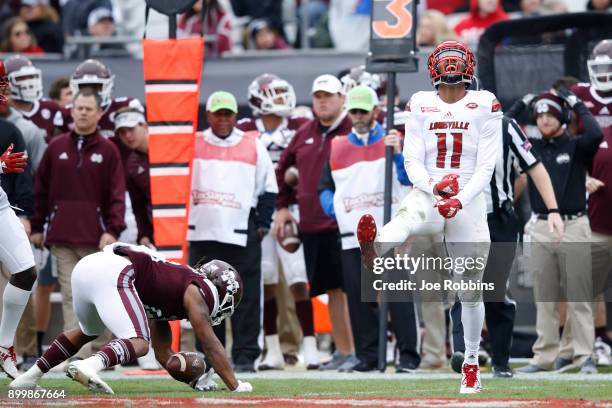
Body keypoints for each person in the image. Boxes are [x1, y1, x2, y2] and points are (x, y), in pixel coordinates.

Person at [357, 41, 503, 393]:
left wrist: (460, 198)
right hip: (431, 187)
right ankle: (376, 248)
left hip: (468, 195)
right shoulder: (420, 103)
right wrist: (436, 189)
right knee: (409, 214)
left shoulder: (485, 104)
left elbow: (487, 165)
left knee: (469, 288)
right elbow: (412, 160)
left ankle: (470, 361)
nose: (452, 68)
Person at [10, 243, 253, 393]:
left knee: (87, 330)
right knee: (138, 341)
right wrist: (235, 384)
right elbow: (209, 342)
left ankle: (28, 377)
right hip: (115, 270)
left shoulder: (172, 290)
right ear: (222, 290)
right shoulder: (200, 289)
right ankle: (88, 365)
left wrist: (194, 378)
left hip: (88, 267)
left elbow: (164, 354)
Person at [449, 114, 564, 378]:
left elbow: (534, 166)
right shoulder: (443, 124)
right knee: (464, 287)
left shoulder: (504, 126)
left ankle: (500, 360)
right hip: (461, 217)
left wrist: (553, 208)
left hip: (497, 218)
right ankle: (464, 353)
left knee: (495, 290)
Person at [318, 86, 420, 372]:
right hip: (353, 235)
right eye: (354, 111)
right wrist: (336, 210)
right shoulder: (337, 145)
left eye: (364, 110)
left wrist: (397, 152)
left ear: (376, 111)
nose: (359, 116)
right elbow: (324, 187)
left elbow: (407, 178)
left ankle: (408, 357)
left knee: (397, 295)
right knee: (360, 298)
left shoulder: (393, 140)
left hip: (390, 232)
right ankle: (368, 357)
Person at [512, 89, 603, 374]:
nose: (544, 120)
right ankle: (544, 356)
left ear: (562, 117)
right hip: (540, 226)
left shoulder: (576, 146)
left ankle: (584, 355)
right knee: (545, 296)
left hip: (574, 224)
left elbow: (596, 133)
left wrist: (575, 103)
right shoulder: (531, 148)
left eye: (550, 114)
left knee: (579, 295)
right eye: (539, 115)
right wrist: (523, 102)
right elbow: (502, 126)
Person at [188, 91, 277, 372]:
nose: (223, 119)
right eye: (218, 113)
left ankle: (245, 356)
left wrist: (262, 224)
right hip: (201, 232)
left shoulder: (253, 144)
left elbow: (268, 188)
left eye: (228, 114)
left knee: (246, 297)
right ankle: (210, 357)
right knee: (203, 297)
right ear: (209, 115)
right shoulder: (194, 142)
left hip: (242, 231)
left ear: (235, 116)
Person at [30, 89, 126, 338]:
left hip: (97, 238)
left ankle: (103, 351)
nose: (83, 112)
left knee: (101, 293)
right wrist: (38, 227)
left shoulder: (109, 150)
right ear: (72, 111)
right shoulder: (55, 147)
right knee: (70, 294)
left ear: (99, 113)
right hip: (61, 237)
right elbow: (40, 190)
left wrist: (113, 229)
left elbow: (117, 195)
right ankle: (75, 354)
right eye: (79, 108)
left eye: (89, 109)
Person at [237, 74, 318, 370]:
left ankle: (309, 345)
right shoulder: (245, 129)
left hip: (291, 208)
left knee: (298, 277)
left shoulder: (298, 125)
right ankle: (271, 349)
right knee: (268, 279)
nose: (283, 100)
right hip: (260, 210)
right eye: (276, 94)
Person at [572, 39, 612, 352]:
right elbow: (565, 145)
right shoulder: (579, 97)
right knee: (587, 278)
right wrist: (581, 176)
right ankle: (592, 340)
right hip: (591, 200)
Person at [0, 60, 37, 380]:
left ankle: (3, 346)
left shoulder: (9, 129)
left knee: (26, 272)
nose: (3, 93)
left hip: (0, 206)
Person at [5, 55, 67, 143]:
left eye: (31, 77)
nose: (28, 83)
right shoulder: (5, 113)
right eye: (21, 78)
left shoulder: (51, 107)